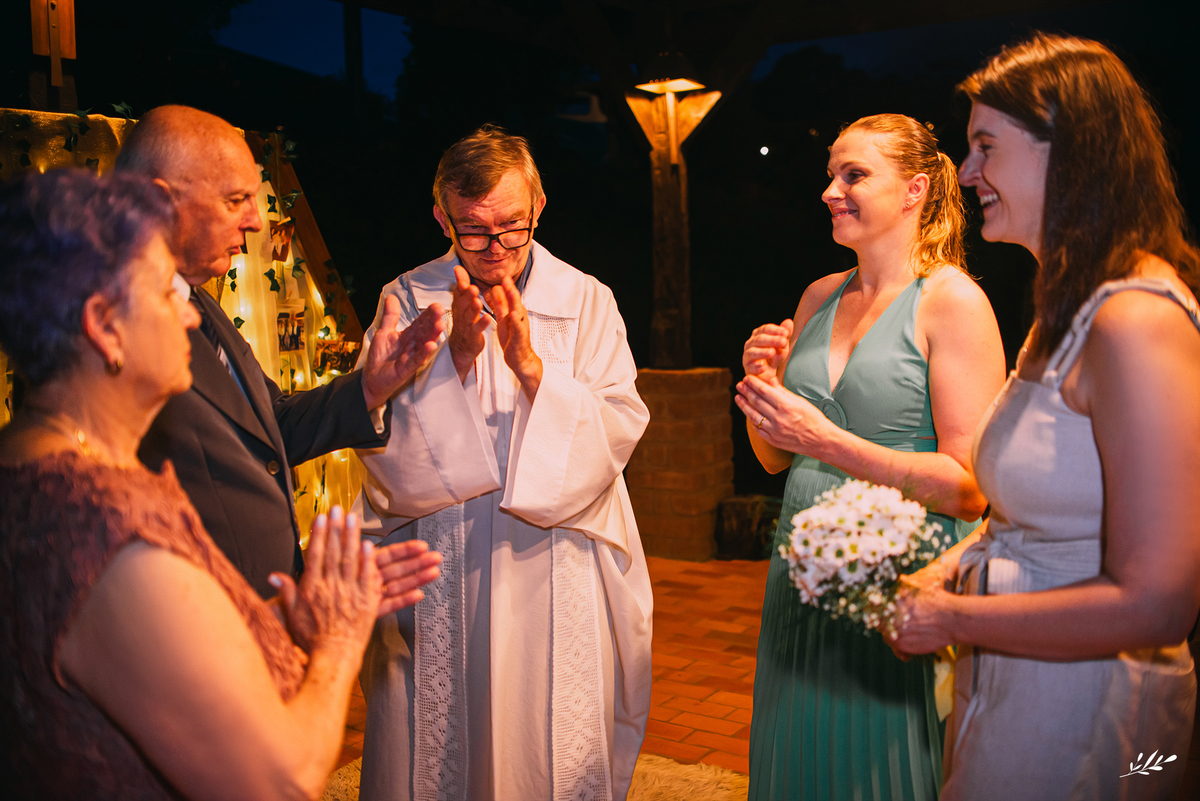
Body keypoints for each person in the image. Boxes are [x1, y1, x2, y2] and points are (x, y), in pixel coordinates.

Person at [0, 169, 440, 800]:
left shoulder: (37, 459)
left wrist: (276, 621)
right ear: (104, 325)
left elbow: (127, 648)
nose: (187, 313)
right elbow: (278, 782)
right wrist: (340, 640)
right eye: (163, 292)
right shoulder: (105, 531)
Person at [890, 34, 1200, 801]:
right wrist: (947, 570)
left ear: (1068, 150)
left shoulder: (1136, 320)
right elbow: (1029, 514)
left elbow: (1160, 600)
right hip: (1015, 695)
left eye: (985, 147)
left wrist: (956, 620)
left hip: (1100, 718)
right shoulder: (1061, 307)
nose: (966, 175)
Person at [353, 125, 653, 801]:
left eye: (511, 228)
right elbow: (376, 438)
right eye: (473, 230)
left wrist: (530, 367)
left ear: (539, 204)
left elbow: (619, 423)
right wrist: (453, 360)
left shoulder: (585, 300)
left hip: (552, 556)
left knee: (543, 731)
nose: (495, 250)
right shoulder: (405, 299)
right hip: (443, 551)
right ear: (441, 216)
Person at [735, 113, 1006, 799]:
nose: (831, 189)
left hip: (893, 582)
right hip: (797, 576)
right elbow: (772, 459)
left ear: (915, 189)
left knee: (876, 771)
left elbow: (972, 489)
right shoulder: (819, 295)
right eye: (831, 173)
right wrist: (762, 390)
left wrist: (826, 440)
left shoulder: (953, 303)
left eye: (854, 174)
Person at [115, 105, 446, 599]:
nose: (254, 220)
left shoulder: (197, 297)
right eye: (235, 199)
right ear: (159, 202)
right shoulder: (111, 323)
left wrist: (372, 385)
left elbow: (272, 425)